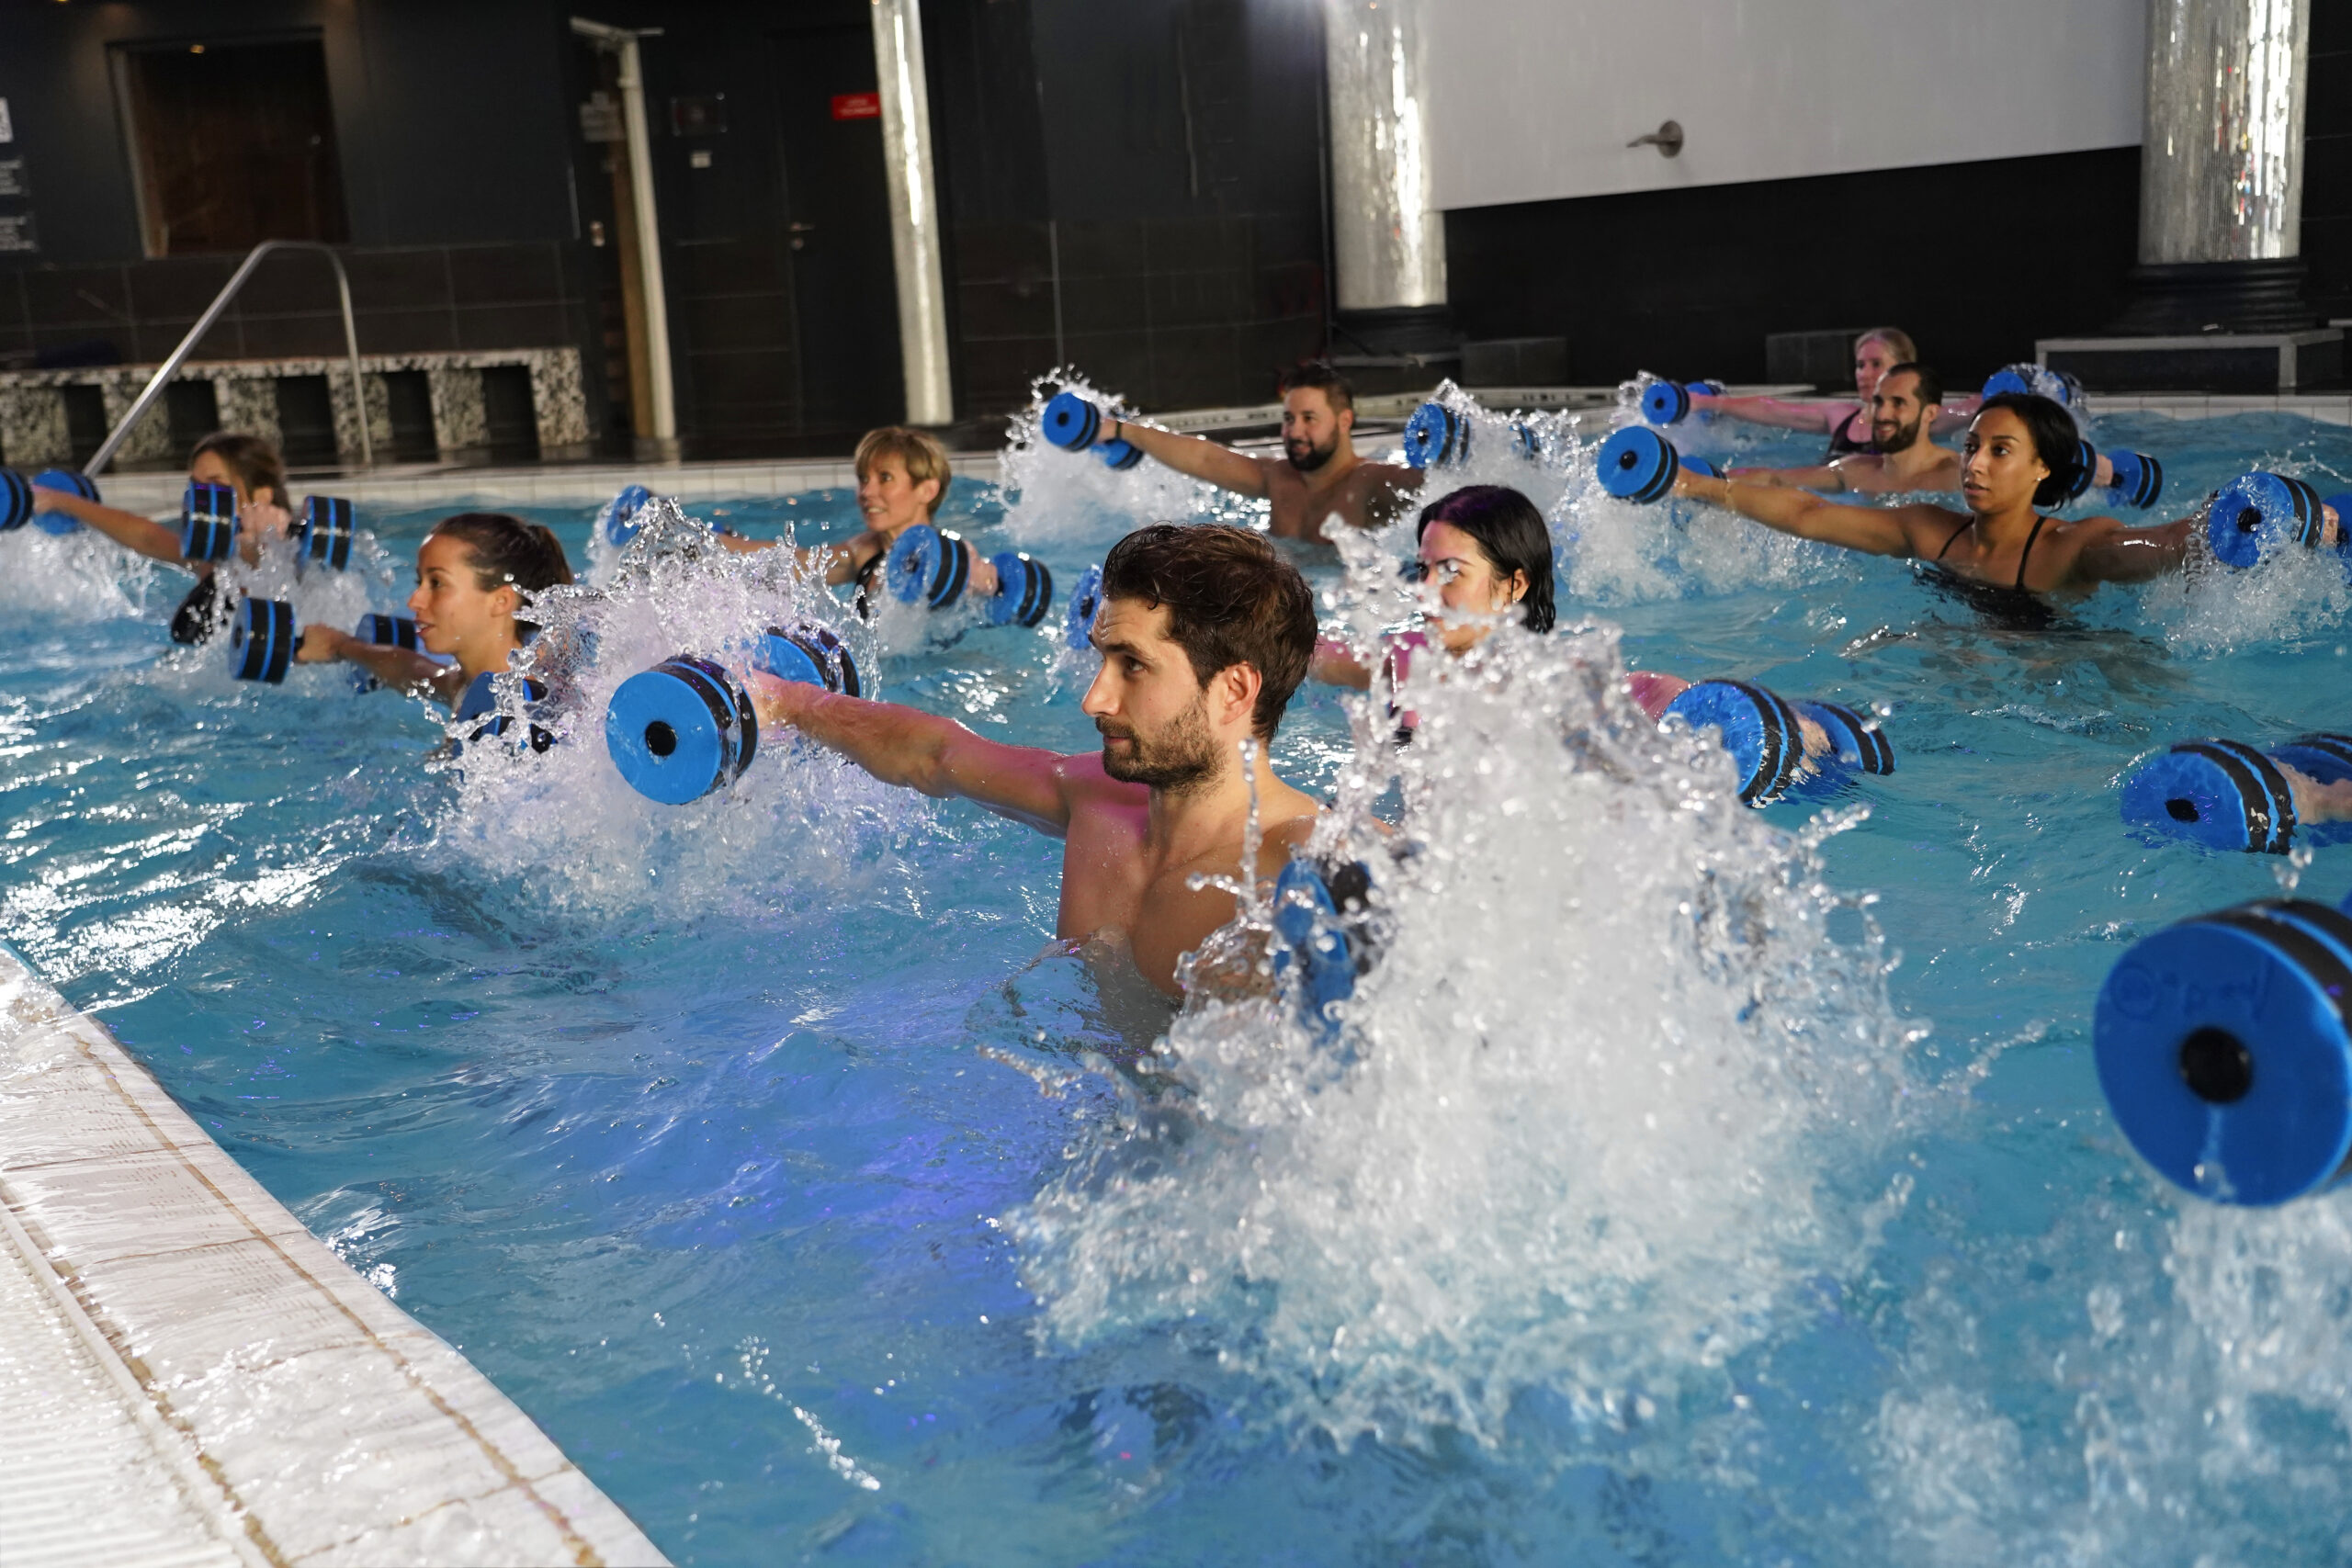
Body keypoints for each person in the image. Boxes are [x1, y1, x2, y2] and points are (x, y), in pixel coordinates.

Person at [746, 522, 1322, 998]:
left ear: (1235, 691)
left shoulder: (1302, 864)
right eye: (1103, 659)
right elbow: (938, 753)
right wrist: (789, 702)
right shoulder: (1097, 799)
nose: (1094, 698)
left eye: (1134, 665)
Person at [1668, 392, 2230, 625]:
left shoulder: (2070, 548)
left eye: (2000, 451)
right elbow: (1808, 516)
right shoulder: (1930, 529)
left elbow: (2165, 545)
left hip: (2062, 676)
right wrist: (1700, 488)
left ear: (2043, 469)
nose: (1976, 465)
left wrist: (2233, 521)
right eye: (1971, 447)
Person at [1069, 362, 1421, 541]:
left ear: (1344, 421)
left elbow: (1436, 489)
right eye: (1288, 418)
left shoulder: (1371, 482)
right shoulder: (1279, 479)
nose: (1294, 431)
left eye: (1309, 418)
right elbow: (1205, 458)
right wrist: (1119, 429)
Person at [28, 431, 301, 642]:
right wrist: (60, 501)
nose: (201, 499)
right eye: (196, 487)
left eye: (216, 485)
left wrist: (264, 535)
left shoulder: (288, 551)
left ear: (261, 496)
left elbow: (260, 556)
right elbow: (146, 537)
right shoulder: (215, 559)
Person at [292, 513, 573, 709]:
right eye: (420, 582)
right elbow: (410, 670)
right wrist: (341, 646)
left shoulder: (527, 708)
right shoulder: (467, 688)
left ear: (501, 601)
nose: (414, 601)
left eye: (437, 583)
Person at [1310, 483, 1555, 702]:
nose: (1423, 590)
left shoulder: (1547, 692)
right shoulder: (1408, 660)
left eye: (1451, 572)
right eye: (1423, 569)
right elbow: (1304, 653)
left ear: (1515, 586)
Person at [715, 426, 999, 612]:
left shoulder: (956, 557)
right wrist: (712, 545)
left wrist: (988, 583)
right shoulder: (865, 552)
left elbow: (985, 581)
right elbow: (789, 564)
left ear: (927, 489)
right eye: (864, 479)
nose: (866, 492)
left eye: (884, 478)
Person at [1687, 328, 1975, 459]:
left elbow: (1971, 408)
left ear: (1903, 370)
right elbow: (1774, 410)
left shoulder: (1921, 422)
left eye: (1877, 364)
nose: (1865, 373)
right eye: (1860, 365)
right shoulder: (1841, 416)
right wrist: (1706, 402)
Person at [1725, 363, 1959, 497]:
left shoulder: (1957, 474)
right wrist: (1708, 480)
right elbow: (1776, 479)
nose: (1882, 414)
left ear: (1930, 413)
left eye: (1898, 403)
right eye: (1878, 402)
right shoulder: (1855, 471)